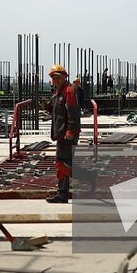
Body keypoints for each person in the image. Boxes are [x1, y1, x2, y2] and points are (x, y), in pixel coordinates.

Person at [47, 64, 80, 204]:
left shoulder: (68, 91)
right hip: (61, 134)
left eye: (58, 78)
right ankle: (62, 194)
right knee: (63, 164)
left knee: (62, 164)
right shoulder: (57, 94)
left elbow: (73, 112)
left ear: (64, 77)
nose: (56, 81)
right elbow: (59, 113)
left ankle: (87, 178)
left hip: (67, 135)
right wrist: (49, 107)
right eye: (54, 78)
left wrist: (71, 131)